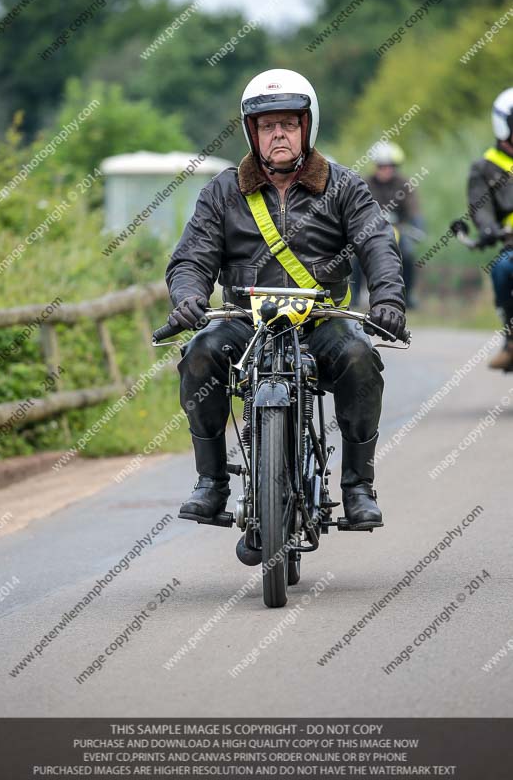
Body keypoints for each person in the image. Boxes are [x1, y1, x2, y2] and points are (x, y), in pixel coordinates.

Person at [165, 68, 405, 532]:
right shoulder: (222, 192)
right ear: (252, 131)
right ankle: (211, 483)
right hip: (244, 319)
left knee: (360, 357)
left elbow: (378, 245)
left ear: (306, 127)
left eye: (289, 124)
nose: (279, 133)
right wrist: (189, 296)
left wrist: (388, 302)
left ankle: (357, 487)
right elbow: (190, 259)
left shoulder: (345, 186)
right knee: (198, 355)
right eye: (268, 125)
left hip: (322, 319)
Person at [468, 88, 513, 371]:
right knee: (503, 269)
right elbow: (480, 208)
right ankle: (510, 338)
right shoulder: (486, 167)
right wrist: (487, 229)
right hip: (511, 246)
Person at [352, 142, 423, 309]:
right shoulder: (364, 183)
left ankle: (408, 295)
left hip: (398, 230)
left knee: (407, 254)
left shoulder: (404, 184)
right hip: (370, 231)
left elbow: (414, 209)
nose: (386, 170)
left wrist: (418, 225)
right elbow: (355, 208)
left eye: (390, 166)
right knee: (356, 258)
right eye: (382, 166)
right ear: (375, 166)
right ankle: (354, 296)